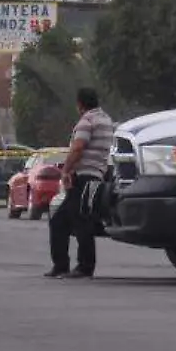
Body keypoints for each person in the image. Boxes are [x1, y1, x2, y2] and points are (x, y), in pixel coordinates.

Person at [48, 87, 112, 279]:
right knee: (69, 219)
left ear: (80, 104)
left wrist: (66, 170)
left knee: (78, 220)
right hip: (97, 176)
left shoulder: (87, 121)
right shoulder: (106, 120)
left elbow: (78, 148)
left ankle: (83, 267)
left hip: (84, 177)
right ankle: (63, 265)